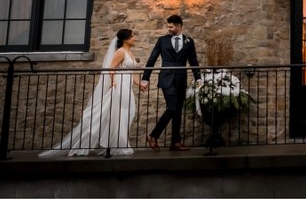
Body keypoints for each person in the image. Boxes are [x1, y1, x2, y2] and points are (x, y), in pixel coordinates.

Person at [40, 29, 139, 157]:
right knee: (119, 115)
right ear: (125, 39)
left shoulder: (129, 52)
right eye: (132, 36)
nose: (134, 38)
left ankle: (118, 144)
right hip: (120, 86)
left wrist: (139, 83)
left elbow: (130, 72)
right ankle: (118, 145)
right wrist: (114, 81)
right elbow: (111, 68)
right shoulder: (120, 52)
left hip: (127, 87)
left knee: (127, 114)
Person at [140, 14, 201, 151]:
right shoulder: (162, 40)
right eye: (168, 26)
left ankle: (175, 142)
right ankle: (153, 135)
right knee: (172, 108)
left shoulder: (189, 41)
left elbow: (193, 61)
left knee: (178, 111)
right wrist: (145, 78)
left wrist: (198, 78)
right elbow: (152, 59)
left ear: (179, 26)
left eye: (171, 26)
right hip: (166, 79)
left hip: (181, 80)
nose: (168, 29)